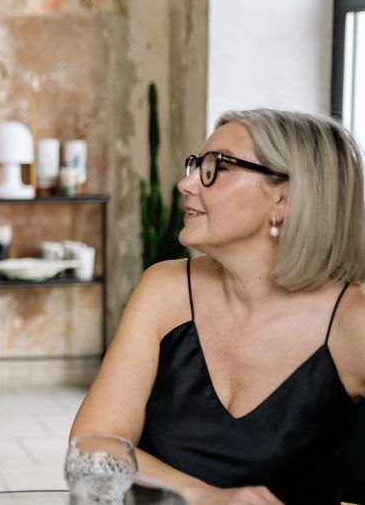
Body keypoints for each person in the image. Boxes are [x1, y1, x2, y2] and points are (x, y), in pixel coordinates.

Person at [71, 109, 365, 504]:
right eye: (196, 164)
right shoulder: (164, 289)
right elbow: (93, 446)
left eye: (215, 168)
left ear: (284, 197)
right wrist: (207, 497)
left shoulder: (354, 324)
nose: (186, 183)